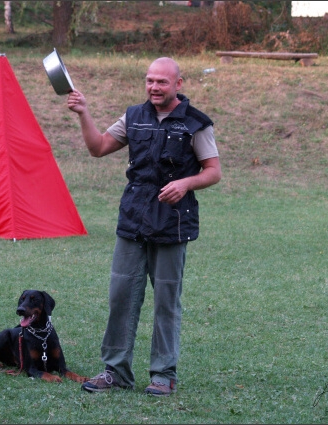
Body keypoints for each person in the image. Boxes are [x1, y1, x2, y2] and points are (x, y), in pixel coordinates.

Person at [67, 57, 222, 396]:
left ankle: (163, 375)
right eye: (150, 80)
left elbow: (213, 170)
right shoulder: (134, 116)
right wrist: (84, 113)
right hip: (133, 220)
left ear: (178, 84)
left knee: (166, 301)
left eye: (162, 82)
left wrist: (186, 184)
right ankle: (115, 371)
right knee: (121, 297)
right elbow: (98, 148)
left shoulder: (196, 123)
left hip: (172, 223)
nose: (154, 87)